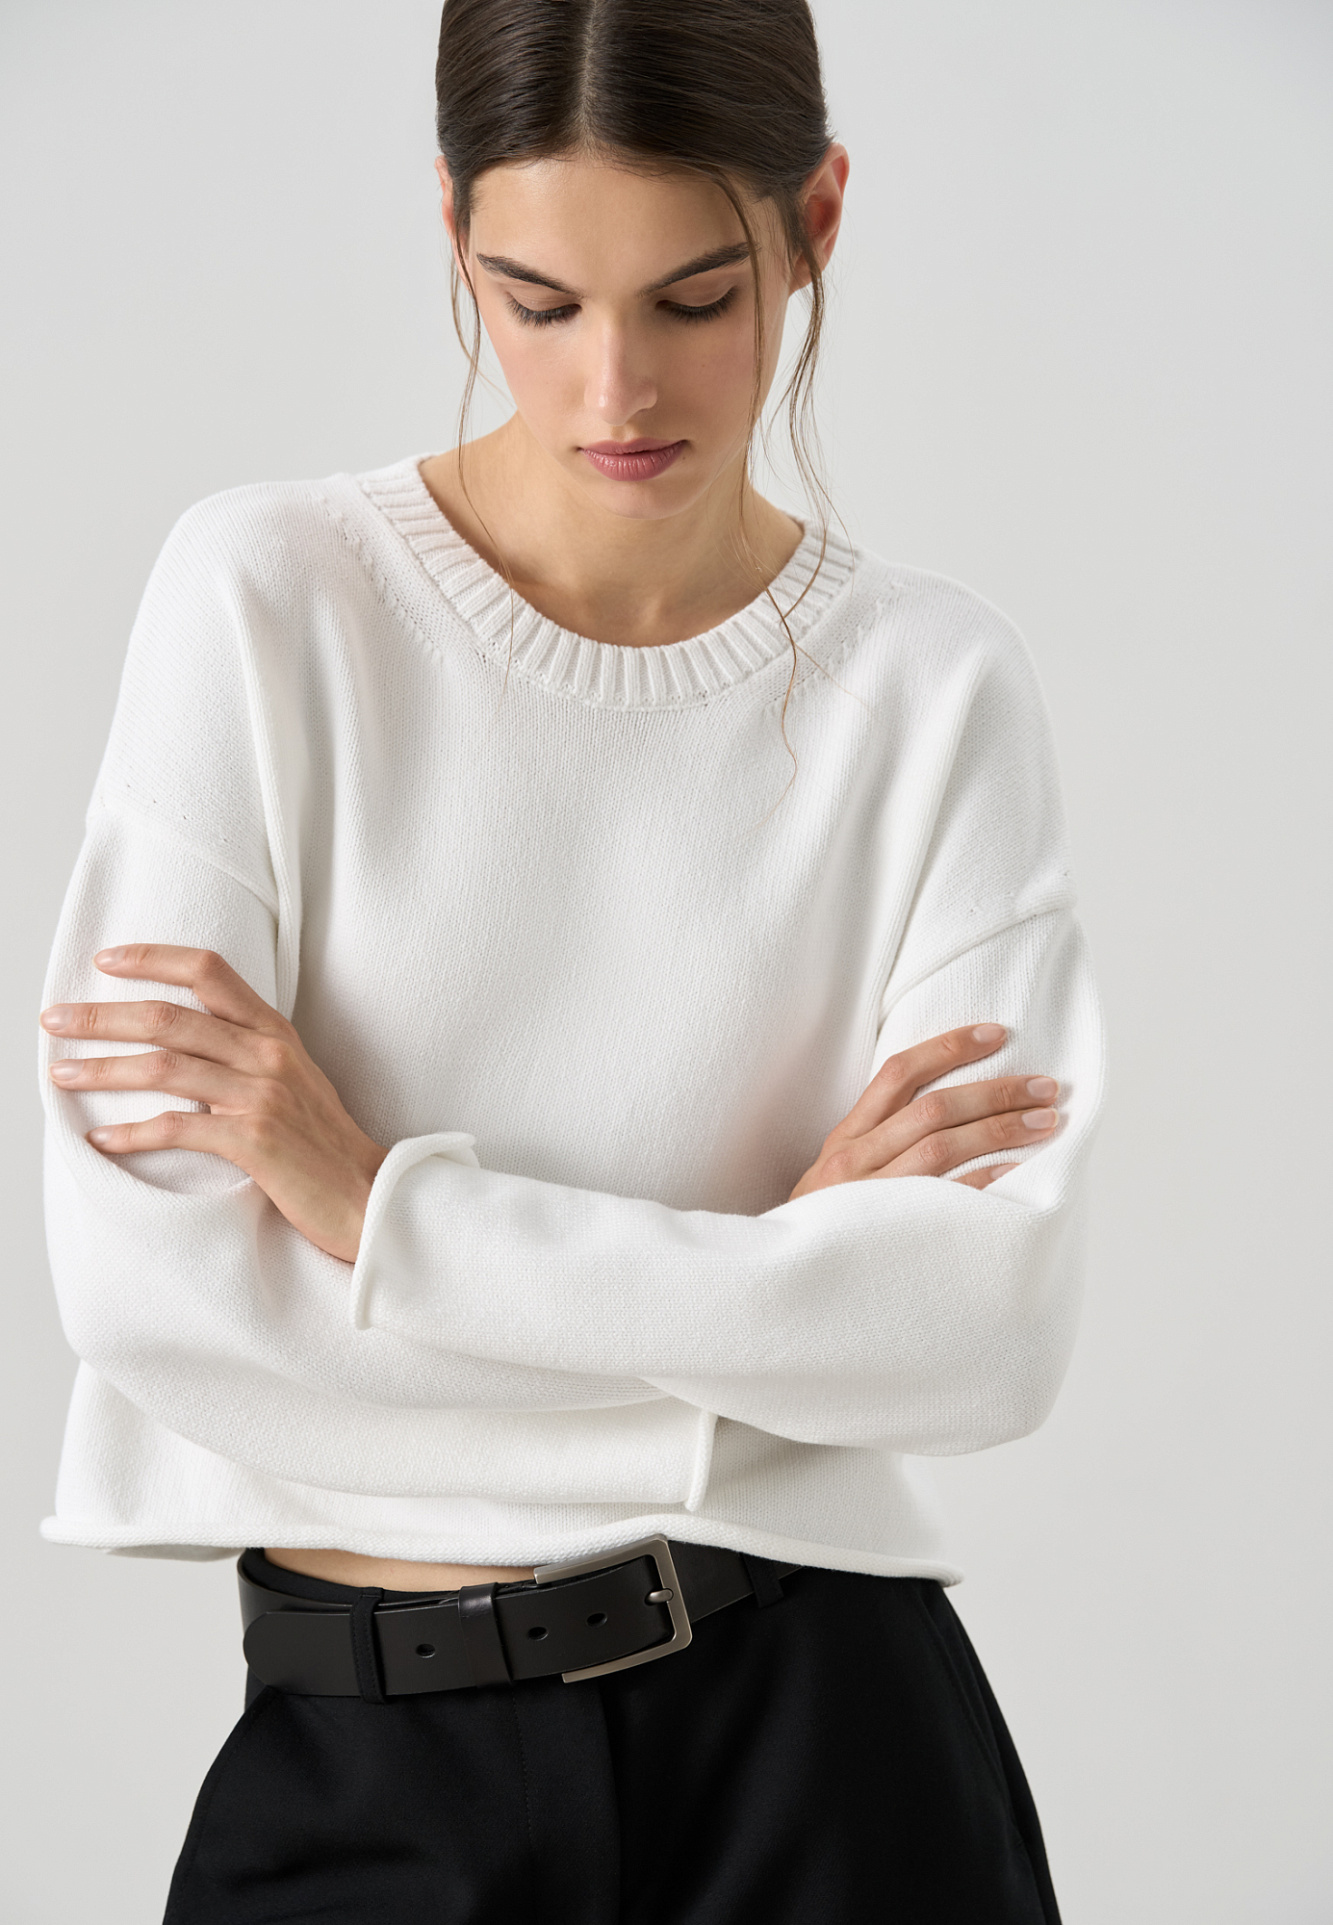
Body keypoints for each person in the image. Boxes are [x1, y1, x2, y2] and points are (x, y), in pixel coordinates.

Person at [37, 1, 1103, 1918]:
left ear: (816, 221)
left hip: (826, 1749)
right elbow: (158, 1298)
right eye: (537, 302)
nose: (617, 386)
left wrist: (382, 1214)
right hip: (369, 1758)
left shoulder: (934, 689)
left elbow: (976, 1333)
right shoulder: (267, 603)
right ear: (455, 232)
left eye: (697, 297)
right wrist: (773, 1298)